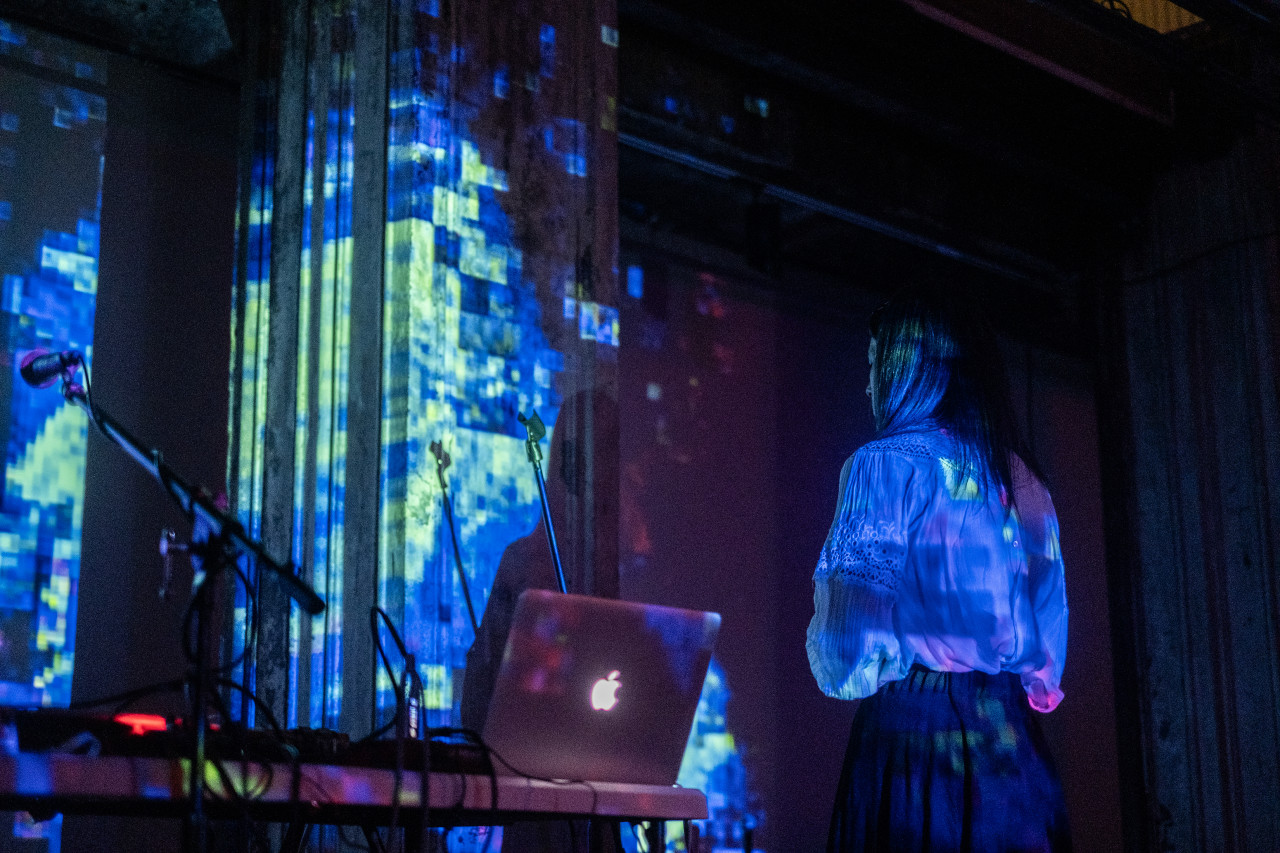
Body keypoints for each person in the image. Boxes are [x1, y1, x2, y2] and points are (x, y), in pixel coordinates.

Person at [806, 286, 1071, 852]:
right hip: (1012, 743)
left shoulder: (884, 464)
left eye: (875, 366)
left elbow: (848, 647)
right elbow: (1047, 640)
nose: (869, 384)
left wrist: (868, 667)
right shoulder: (1023, 479)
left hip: (916, 736)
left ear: (909, 368)